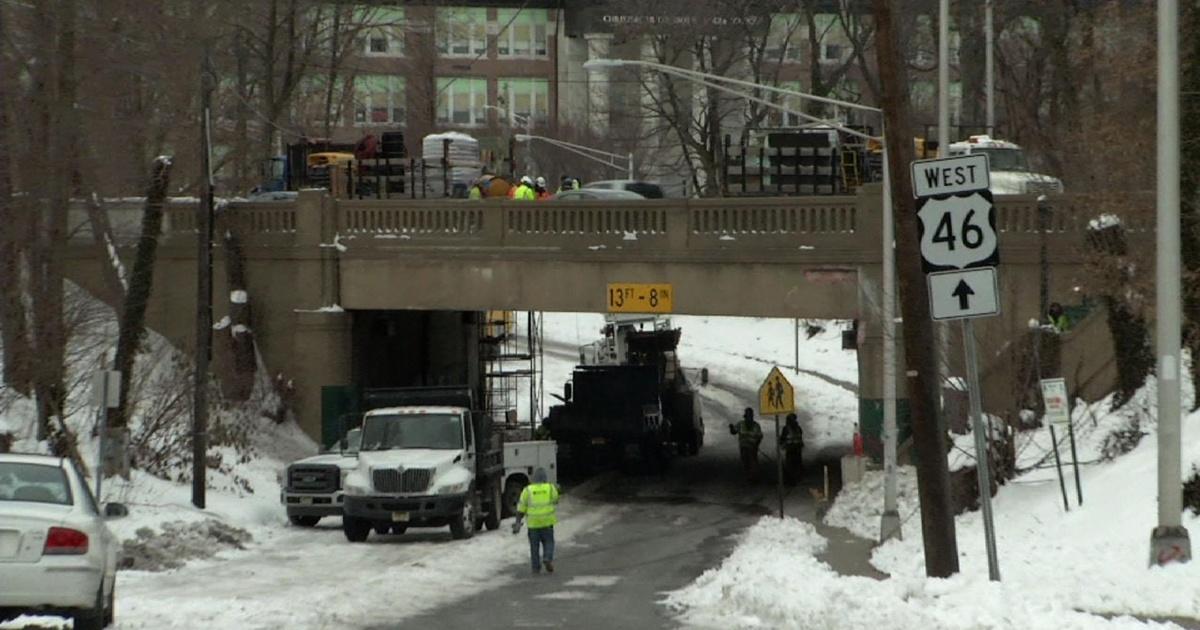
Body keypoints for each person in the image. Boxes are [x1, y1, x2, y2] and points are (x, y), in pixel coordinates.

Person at [512, 467, 560, 574]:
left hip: (533, 525)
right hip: (547, 523)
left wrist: (518, 523)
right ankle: (547, 557)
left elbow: (521, 508)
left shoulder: (527, 490)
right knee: (549, 542)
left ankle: (535, 567)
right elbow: (556, 500)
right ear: (545, 478)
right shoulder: (550, 488)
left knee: (534, 547)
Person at [729, 408, 763, 482]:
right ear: (745, 417)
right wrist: (731, 428)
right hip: (744, 446)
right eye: (747, 417)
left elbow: (760, 436)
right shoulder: (740, 424)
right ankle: (748, 475)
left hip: (752, 447)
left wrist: (756, 445)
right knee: (745, 461)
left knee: (753, 461)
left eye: (750, 417)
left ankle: (754, 477)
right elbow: (734, 432)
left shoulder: (756, 425)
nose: (749, 418)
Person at [780, 413, 805, 487]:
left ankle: (792, 479)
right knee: (795, 465)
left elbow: (783, 439)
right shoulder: (798, 428)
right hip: (795, 449)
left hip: (793, 449)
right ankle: (794, 479)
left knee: (792, 465)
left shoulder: (787, 429)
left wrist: (782, 443)